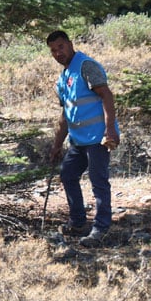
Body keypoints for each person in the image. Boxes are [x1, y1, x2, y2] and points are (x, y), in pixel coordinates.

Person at [47, 30, 119, 247]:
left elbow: (106, 95)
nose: (58, 53)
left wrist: (110, 130)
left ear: (70, 44)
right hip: (78, 141)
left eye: (60, 47)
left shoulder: (86, 66)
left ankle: (101, 229)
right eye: (53, 50)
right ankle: (78, 222)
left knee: (98, 182)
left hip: (98, 138)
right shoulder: (63, 78)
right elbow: (65, 115)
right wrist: (57, 145)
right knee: (68, 175)